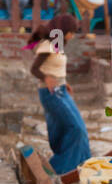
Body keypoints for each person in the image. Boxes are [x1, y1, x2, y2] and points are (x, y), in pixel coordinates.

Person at [29, 23, 91, 175]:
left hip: (60, 89)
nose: (72, 36)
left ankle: (82, 164)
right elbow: (34, 69)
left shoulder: (57, 45)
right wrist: (46, 78)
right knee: (75, 128)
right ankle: (58, 169)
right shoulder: (47, 45)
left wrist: (64, 82)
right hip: (51, 92)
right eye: (71, 32)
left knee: (74, 128)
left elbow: (54, 67)